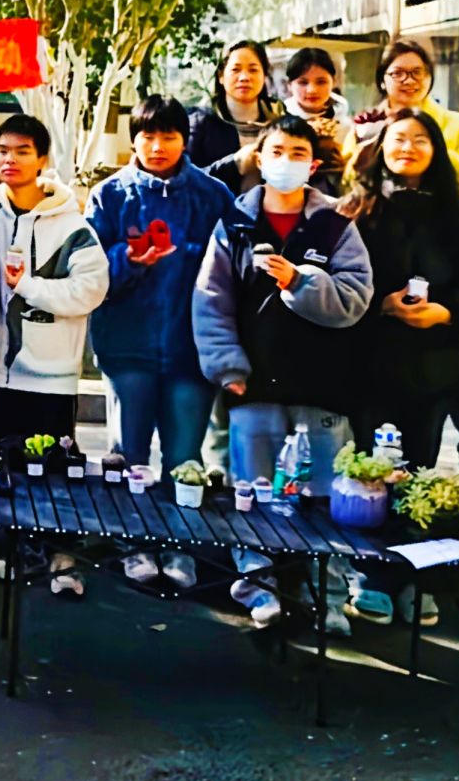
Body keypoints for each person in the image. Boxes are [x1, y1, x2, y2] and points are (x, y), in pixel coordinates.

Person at [194, 115, 373, 629]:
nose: (287, 162)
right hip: (253, 383)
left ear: (313, 165)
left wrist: (300, 282)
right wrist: (227, 366)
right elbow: (211, 301)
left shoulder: (335, 225)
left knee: (325, 496)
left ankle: (327, 596)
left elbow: (355, 298)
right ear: (260, 158)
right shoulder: (235, 223)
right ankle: (258, 590)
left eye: (298, 153)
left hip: (322, 384)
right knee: (252, 492)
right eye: (277, 151)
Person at [342, 109, 459, 627]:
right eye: (398, 138)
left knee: (419, 476)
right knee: (366, 475)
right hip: (367, 363)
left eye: (420, 139)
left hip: (433, 367)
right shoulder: (357, 208)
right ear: (381, 147)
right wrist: (379, 306)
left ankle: (411, 578)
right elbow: (335, 283)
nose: (407, 147)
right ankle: (368, 577)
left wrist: (448, 312)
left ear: (436, 150)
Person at [84, 97, 238, 498]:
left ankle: (181, 535)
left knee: (185, 463)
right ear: (133, 140)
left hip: (192, 353)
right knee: (127, 462)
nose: (157, 147)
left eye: (168, 137)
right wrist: (128, 259)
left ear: (184, 141)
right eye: (147, 136)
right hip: (126, 350)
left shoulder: (214, 196)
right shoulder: (109, 195)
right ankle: (126, 535)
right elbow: (87, 270)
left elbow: (233, 270)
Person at [0, 114, 107, 454]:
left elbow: (90, 290)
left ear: (42, 160)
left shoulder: (72, 227)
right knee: (4, 470)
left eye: (22, 151)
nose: (10, 159)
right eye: (2, 150)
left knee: (50, 473)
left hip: (53, 382)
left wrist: (28, 286)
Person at [351, 38, 459, 199]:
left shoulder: (457, 124)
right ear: (382, 79)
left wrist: (434, 149)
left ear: (429, 77)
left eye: (417, 72)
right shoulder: (367, 124)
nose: (409, 80)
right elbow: (346, 181)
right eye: (398, 73)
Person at [189, 40, 285, 196]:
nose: (244, 77)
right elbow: (185, 180)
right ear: (221, 76)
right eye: (236, 69)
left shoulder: (280, 123)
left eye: (253, 70)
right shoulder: (201, 122)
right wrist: (234, 164)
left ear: (264, 75)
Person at [281, 47, 352, 196]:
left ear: (334, 81)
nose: (312, 90)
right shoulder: (279, 124)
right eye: (303, 82)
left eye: (321, 82)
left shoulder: (346, 126)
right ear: (289, 85)